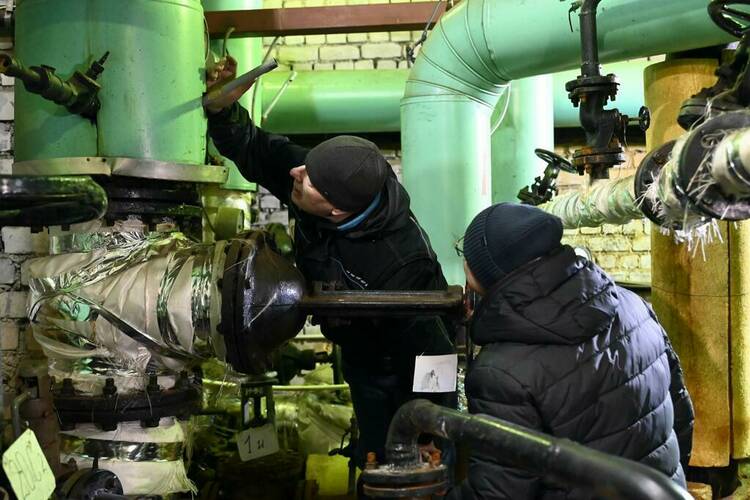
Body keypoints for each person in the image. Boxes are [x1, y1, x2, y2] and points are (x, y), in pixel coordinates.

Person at [205, 57, 456, 469]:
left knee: (401, 463)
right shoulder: (323, 175)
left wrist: (431, 428)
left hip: (399, 368)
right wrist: (223, 108)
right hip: (359, 353)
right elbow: (253, 147)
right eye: (306, 167)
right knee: (372, 451)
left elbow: (435, 354)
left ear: (336, 210)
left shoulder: (400, 262)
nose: (296, 173)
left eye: (308, 179)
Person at [446, 202, 694, 499]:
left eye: (465, 255)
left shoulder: (500, 372)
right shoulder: (633, 305)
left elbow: (499, 493)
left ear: (486, 272)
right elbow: (681, 415)